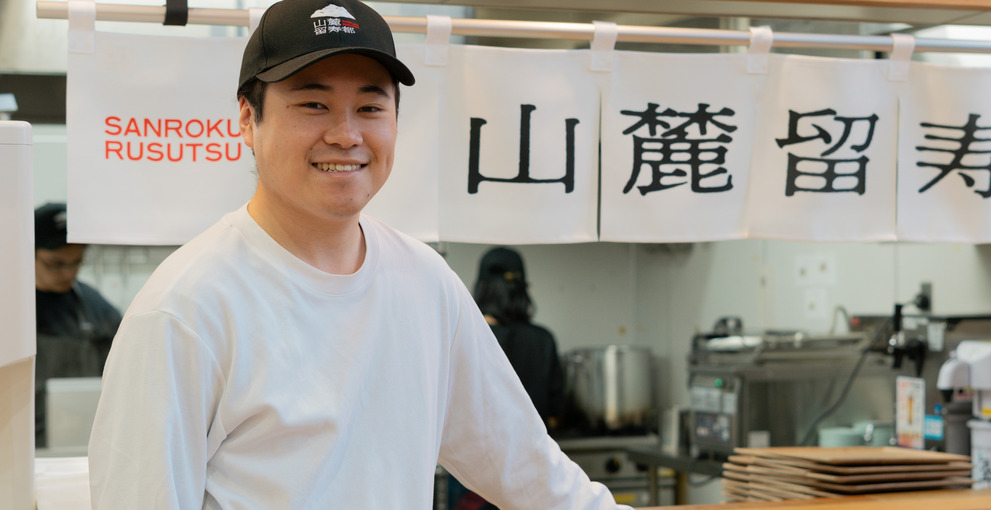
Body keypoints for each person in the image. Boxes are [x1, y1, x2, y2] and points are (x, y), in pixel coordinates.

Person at [87, 1, 630, 508]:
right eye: (313, 104)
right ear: (248, 120)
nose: (346, 135)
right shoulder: (186, 308)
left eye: (370, 106)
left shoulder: (425, 281)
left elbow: (521, 462)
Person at [451, 247, 567, 510]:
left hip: (474, 479)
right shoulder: (543, 340)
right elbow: (556, 410)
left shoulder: (467, 338)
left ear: (481, 287)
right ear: (522, 289)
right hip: (532, 472)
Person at [31, 202, 122, 448]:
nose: (68, 274)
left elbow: (122, 378)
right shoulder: (11, 309)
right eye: (56, 264)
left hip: (82, 443)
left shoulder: (96, 308)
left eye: (76, 262)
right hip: (19, 446)